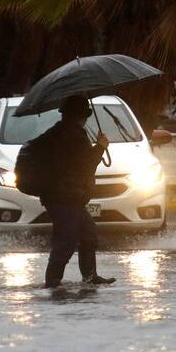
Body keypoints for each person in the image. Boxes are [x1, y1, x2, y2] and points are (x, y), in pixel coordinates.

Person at [36, 95, 115, 287]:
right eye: (84, 114)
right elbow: (85, 165)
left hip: (69, 196)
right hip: (63, 196)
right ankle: (52, 280)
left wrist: (97, 147)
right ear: (79, 115)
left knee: (88, 233)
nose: (86, 118)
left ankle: (90, 276)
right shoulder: (72, 135)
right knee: (66, 238)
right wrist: (101, 147)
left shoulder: (64, 132)